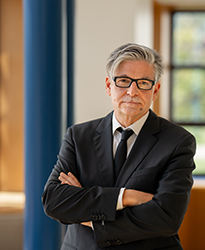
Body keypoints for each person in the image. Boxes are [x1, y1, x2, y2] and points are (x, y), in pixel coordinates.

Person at [42, 43, 196, 250]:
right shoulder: (78, 136)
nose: (132, 91)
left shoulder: (178, 142)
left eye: (143, 83)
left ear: (155, 90)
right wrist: (127, 196)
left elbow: (167, 218)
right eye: (124, 81)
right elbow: (54, 202)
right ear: (108, 86)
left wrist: (84, 208)